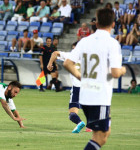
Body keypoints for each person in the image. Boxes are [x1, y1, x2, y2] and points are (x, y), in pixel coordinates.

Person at [63, 8, 126, 150]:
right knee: (100, 136)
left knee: (103, 133)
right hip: (99, 97)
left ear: (96, 23)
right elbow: (115, 73)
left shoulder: (84, 41)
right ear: (113, 24)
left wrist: (80, 76)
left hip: (85, 96)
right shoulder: (112, 43)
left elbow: (67, 63)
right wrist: (123, 70)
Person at [47, 42, 92, 133]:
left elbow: (55, 53)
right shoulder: (90, 58)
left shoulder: (71, 56)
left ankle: (79, 122)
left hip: (77, 88)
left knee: (72, 113)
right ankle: (90, 126)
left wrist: (49, 64)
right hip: (89, 87)